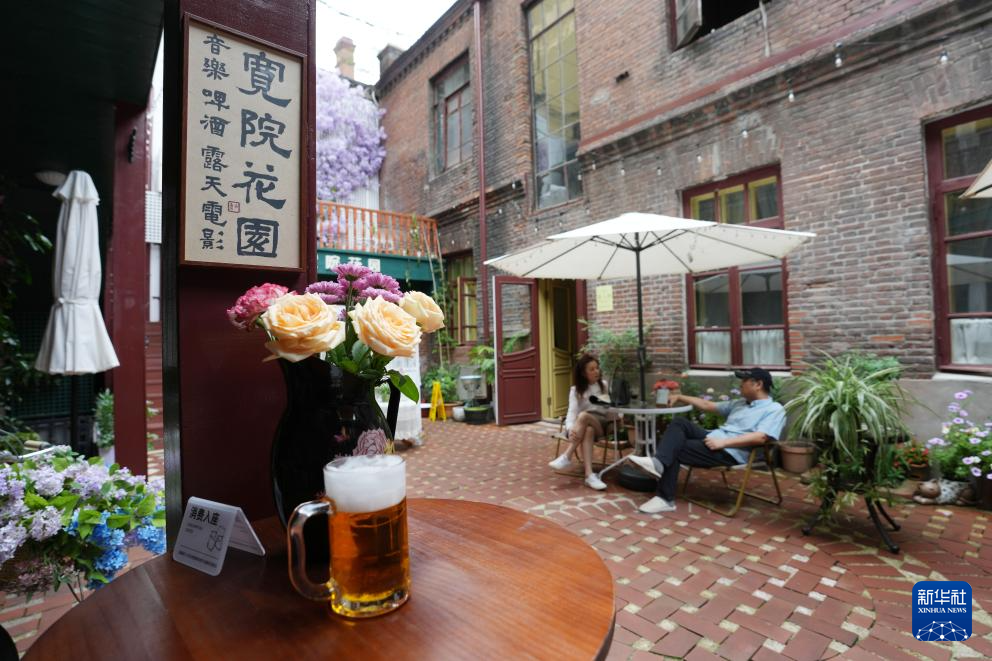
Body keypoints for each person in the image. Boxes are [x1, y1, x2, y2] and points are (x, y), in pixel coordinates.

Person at [626, 367, 786, 514]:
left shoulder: (774, 409)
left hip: (729, 451)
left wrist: (723, 443)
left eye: (744, 381)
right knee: (679, 423)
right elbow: (707, 404)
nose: (740, 384)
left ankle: (665, 498)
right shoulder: (740, 403)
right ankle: (658, 464)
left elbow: (761, 437)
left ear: (758, 384)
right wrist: (679, 396)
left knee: (676, 448)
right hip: (713, 439)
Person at [548, 354, 618, 490]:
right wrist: (570, 429)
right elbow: (571, 413)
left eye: (597, 368)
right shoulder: (575, 391)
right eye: (592, 369)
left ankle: (567, 455)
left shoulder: (603, 385)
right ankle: (589, 475)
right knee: (588, 430)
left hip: (601, 425)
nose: (596, 371)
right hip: (584, 427)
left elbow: (606, 409)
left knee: (584, 416)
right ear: (583, 373)